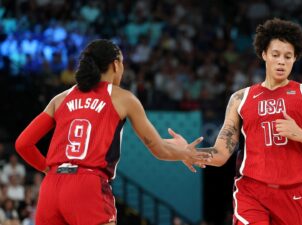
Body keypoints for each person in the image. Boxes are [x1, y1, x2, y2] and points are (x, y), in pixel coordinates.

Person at [14, 39, 211, 225]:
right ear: (116, 64)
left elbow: (22, 144)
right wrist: (186, 153)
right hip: (87, 185)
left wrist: (49, 169)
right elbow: (157, 148)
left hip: (51, 188)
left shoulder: (60, 99)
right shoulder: (123, 98)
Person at [168, 18, 302, 225]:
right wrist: (188, 153)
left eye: (288, 56)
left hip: (293, 193)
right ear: (264, 54)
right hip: (251, 191)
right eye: (275, 55)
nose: (281, 61)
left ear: (295, 58)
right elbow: (222, 153)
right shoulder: (240, 99)